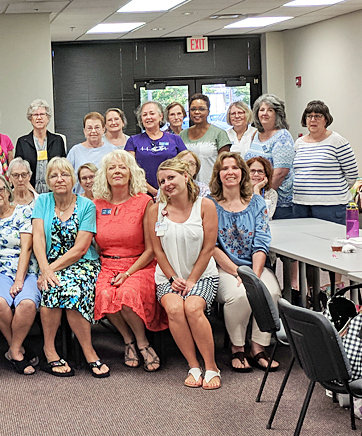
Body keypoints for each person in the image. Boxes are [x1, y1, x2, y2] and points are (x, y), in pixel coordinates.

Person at [32, 157, 109, 378]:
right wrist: (45, 268)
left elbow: (81, 249)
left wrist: (49, 270)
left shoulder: (86, 205)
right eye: (54, 175)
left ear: (72, 178)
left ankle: (89, 352)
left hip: (81, 264)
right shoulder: (43, 201)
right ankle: (50, 350)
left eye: (64, 174)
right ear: (48, 180)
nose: (59, 179)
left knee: (71, 290)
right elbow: (38, 238)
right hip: (49, 262)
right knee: (51, 288)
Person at [148, 159, 220, 390]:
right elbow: (157, 250)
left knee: (192, 307)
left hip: (201, 275)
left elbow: (209, 247)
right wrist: (172, 278)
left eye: (171, 178)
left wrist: (191, 280)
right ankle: (193, 366)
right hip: (168, 276)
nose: (167, 184)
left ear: (186, 177)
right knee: (175, 308)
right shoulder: (155, 210)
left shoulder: (204, 206)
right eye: (162, 181)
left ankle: (211, 367)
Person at [93, 150, 167, 372]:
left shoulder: (144, 202)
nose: (117, 171)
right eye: (112, 168)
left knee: (126, 294)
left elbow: (152, 249)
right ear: (104, 175)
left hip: (139, 264)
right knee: (104, 293)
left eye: (122, 167)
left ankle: (142, 343)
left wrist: (127, 273)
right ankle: (128, 341)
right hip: (107, 265)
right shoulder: (96, 204)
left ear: (131, 173)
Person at [208, 152, 281, 372]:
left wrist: (254, 276)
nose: (230, 172)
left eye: (234, 167)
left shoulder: (257, 202)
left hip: (255, 266)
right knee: (239, 296)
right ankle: (237, 347)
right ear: (218, 175)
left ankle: (258, 348)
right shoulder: (210, 204)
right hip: (224, 269)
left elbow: (261, 242)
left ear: (242, 173)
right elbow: (211, 246)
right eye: (224, 168)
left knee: (271, 292)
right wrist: (237, 273)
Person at [0, 174, 39, 375]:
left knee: (27, 304)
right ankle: (18, 347)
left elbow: (27, 248)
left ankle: (14, 350)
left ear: (8, 190)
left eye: (0, 189)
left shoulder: (24, 212)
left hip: (27, 269)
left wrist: (19, 280)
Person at [292, 100, 358, 224]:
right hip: (301, 205)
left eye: (317, 116)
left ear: (326, 119)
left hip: (332, 206)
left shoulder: (337, 141)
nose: (312, 120)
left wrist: (331, 190)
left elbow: (352, 175)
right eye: (309, 116)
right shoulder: (298, 143)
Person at [244, 94, 295, 219]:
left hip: (278, 205)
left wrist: (263, 196)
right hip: (255, 198)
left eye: (270, 110)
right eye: (261, 110)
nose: (264, 113)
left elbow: (280, 173)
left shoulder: (282, 136)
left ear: (277, 114)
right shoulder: (256, 134)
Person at [125, 101, 187, 198]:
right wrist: (154, 192)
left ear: (161, 116)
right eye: (144, 115)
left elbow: (186, 166)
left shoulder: (175, 139)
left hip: (173, 193)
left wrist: (166, 189)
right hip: (143, 194)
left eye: (152, 113)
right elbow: (130, 169)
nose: (148, 117)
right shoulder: (133, 141)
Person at [14, 99, 67, 194]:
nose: (39, 118)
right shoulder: (22, 142)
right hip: (29, 194)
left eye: (42, 114)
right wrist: (34, 195)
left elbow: (63, 169)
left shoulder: (58, 140)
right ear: (30, 118)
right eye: (35, 115)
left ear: (48, 118)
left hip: (55, 193)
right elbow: (18, 172)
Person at [180, 93, 231, 185]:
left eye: (201, 109)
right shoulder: (182, 135)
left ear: (208, 111)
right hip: (188, 187)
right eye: (193, 109)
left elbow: (225, 165)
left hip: (213, 187)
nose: (197, 112)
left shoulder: (219, 134)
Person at [66, 112, 116, 195]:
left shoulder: (113, 151)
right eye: (89, 128)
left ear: (103, 129)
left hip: (107, 199)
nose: (93, 131)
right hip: (81, 201)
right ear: (84, 131)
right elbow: (67, 177)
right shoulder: (75, 151)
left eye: (97, 127)